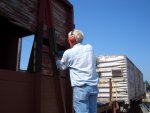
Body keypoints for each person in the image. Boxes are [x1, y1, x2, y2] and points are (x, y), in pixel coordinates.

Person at [56, 29, 99, 113]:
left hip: (81, 88)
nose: (68, 41)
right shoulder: (89, 47)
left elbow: (62, 67)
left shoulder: (68, 53)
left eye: (69, 39)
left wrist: (57, 61)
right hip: (93, 87)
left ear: (72, 39)